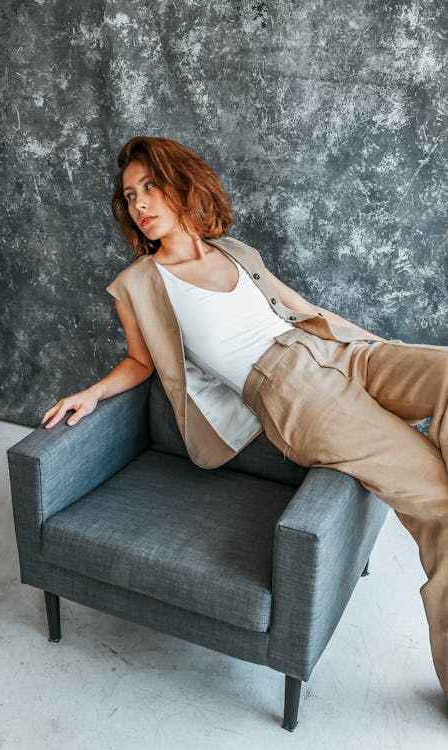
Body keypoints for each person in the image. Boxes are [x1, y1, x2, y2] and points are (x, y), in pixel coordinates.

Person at [41, 135, 448, 701]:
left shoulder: (235, 250)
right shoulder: (137, 284)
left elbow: (304, 309)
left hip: (336, 352)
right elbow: (140, 360)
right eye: (130, 195)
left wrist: (376, 347)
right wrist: (91, 393)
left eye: (150, 186)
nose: (140, 204)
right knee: (438, 499)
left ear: (181, 184)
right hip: (290, 391)